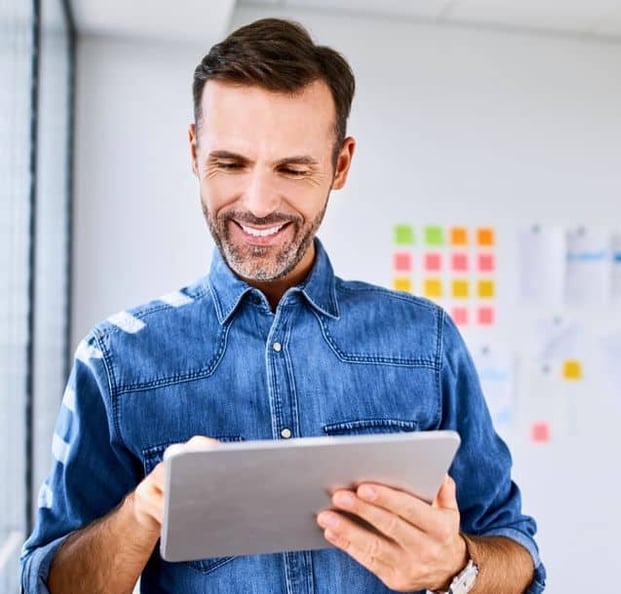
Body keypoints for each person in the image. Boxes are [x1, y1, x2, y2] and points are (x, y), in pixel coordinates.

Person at [21, 17, 545, 594]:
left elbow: (516, 553)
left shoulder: (426, 341)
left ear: (340, 165)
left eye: (293, 169)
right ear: (195, 152)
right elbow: (44, 583)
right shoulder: (117, 360)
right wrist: (143, 514)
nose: (259, 204)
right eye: (231, 164)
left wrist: (456, 568)